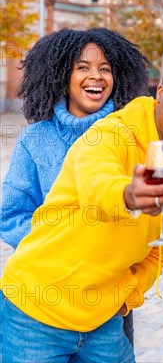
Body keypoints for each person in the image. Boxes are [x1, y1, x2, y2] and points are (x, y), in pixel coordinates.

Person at [0, 50, 163, 362]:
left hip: (103, 321)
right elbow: (97, 182)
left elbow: (160, 252)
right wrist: (129, 195)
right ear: (159, 93)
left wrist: (126, 297)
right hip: (34, 313)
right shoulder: (110, 133)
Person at [0, 27, 149, 346]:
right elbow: (12, 216)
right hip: (45, 299)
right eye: (83, 67)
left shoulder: (132, 137)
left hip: (109, 301)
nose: (96, 76)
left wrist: (128, 292)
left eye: (105, 68)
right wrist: (61, 254)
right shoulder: (36, 139)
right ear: (60, 75)